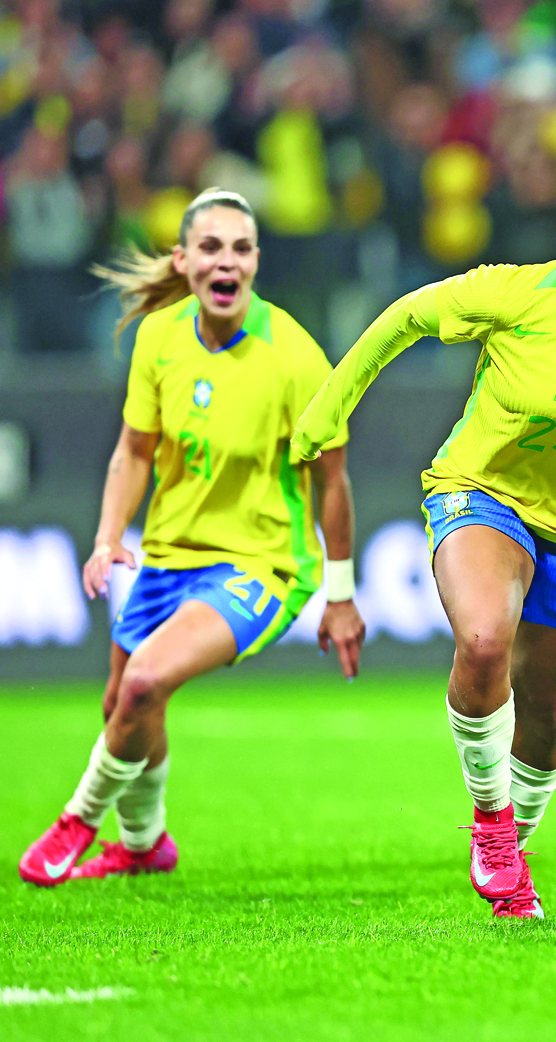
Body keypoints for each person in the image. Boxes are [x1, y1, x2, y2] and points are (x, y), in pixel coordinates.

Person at [290, 129, 556, 919]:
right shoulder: (513, 293)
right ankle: (491, 826)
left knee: (547, 708)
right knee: (483, 640)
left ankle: (514, 845)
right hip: (482, 493)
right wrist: (327, 410)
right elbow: (403, 319)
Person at [18, 189, 365, 887]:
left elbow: (334, 481)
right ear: (183, 260)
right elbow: (134, 450)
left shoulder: (296, 356)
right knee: (124, 706)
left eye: (240, 248)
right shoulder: (160, 337)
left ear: (257, 262)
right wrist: (107, 536)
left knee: (145, 680)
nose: (226, 261)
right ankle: (145, 844)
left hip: (262, 563)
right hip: (169, 554)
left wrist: (340, 593)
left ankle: (79, 821)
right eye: (210, 248)